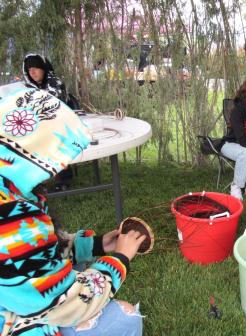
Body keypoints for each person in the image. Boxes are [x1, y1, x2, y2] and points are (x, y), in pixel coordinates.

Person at [0, 88, 145, 336]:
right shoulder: (11, 216)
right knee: (124, 317)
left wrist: (96, 245)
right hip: (14, 315)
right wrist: (119, 259)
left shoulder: (10, 187)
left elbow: (36, 256)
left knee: (80, 270)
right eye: (60, 157)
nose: (62, 166)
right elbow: (66, 303)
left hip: (16, 296)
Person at [23, 53, 78, 191]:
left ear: (43, 68)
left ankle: (63, 178)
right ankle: (37, 181)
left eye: (35, 68)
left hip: (62, 124)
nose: (32, 72)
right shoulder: (28, 88)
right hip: (39, 126)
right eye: (29, 69)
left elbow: (54, 111)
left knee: (51, 138)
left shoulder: (55, 84)